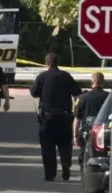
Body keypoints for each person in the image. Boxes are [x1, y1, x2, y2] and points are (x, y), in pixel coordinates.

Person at [30, 53, 82, 181]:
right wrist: (75, 111)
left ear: (46, 63)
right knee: (65, 144)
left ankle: (50, 174)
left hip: (47, 117)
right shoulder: (66, 76)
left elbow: (33, 93)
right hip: (64, 116)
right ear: (58, 63)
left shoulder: (42, 77)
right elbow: (77, 94)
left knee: (48, 147)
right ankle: (65, 163)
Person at [73, 72, 109, 175]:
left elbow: (77, 119)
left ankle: (85, 178)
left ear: (91, 82)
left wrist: (75, 136)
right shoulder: (109, 98)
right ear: (103, 82)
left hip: (87, 134)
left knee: (84, 157)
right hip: (104, 133)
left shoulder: (82, 98)